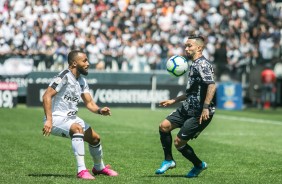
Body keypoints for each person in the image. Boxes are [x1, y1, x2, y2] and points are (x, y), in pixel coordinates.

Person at [42, 50, 118, 180]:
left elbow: (89, 103)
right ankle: (81, 170)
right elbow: (46, 96)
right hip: (56, 118)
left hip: (71, 118)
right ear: (74, 63)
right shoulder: (64, 76)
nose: (88, 63)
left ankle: (99, 167)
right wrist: (49, 120)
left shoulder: (82, 80)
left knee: (95, 138)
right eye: (85, 61)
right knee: (77, 128)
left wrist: (100, 110)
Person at [155, 35, 216, 178]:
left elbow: (211, 86)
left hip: (199, 112)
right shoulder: (194, 64)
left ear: (199, 48)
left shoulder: (203, 64)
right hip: (187, 107)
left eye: (189, 46)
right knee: (163, 126)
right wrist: (173, 100)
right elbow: (192, 92)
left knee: (178, 142)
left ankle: (198, 165)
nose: (186, 48)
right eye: (186, 46)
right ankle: (169, 160)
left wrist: (206, 107)